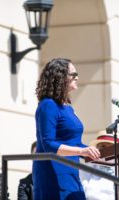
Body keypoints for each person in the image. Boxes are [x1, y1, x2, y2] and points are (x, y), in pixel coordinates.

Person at [33, 58, 101, 200]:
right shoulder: (48, 105)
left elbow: (74, 143)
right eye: (73, 74)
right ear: (60, 77)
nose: (77, 77)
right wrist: (82, 151)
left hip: (71, 170)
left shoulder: (68, 108)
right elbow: (48, 144)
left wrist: (97, 153)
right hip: (53, 172)